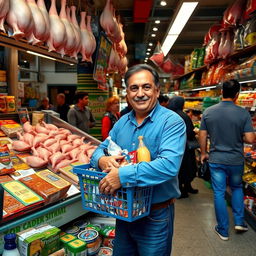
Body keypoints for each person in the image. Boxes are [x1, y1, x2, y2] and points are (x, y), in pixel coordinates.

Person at [90, 64, 186, 256]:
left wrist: (121, 176)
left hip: (155, 216)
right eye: (134, 88)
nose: (140, 93)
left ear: (157, 91)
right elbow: (99, 150)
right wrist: (102, 161)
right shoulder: (122, 123)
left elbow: (168, 166)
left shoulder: (171, 122)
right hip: (124, 212)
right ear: (127, 93)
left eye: (146, 87)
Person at [199, 79, 255, 241]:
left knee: (219, 193)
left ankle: (223, 230)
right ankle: (239, 222)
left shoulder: (209, 112)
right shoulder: (243, 113)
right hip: (236, 160)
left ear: (221, 92)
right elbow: (250, 139)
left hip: (216, 159)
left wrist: (203, 153)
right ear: (237, 94)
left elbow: (202, 134)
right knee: (237, 188)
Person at [168, 96, 199, 198]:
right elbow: (189, 132)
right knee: (186, 168)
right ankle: (184, 189)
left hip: (173, 145)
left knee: (179, 168)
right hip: (184, 147)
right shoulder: (183, 116)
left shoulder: (169, 114)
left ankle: (184, 188)